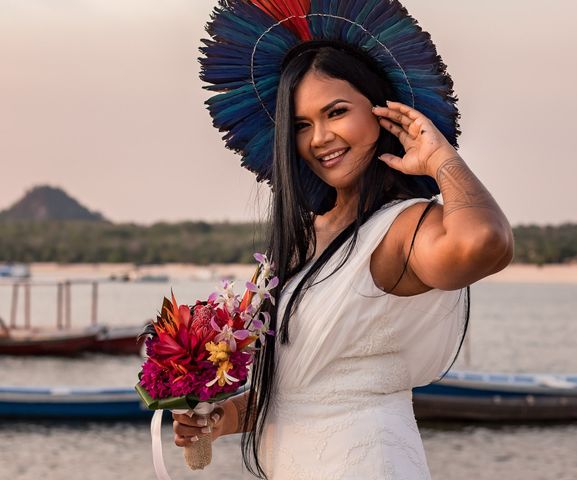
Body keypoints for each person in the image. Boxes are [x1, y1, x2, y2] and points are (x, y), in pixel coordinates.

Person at [173, 1, 513, 478]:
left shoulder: (402, 228)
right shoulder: (302, 240)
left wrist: (441, 159)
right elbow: (298, 392)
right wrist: (221, 417)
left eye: (336, 112)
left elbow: (486, 244)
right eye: (302, 125)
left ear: (382, 112)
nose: (320, 138)